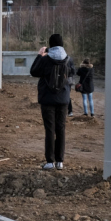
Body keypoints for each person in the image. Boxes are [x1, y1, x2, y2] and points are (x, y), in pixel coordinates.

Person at [29, 33, 75, 170]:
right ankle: (60, 161)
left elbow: (33, 72)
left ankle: (50, 162)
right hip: (63, 99)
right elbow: (72, 74)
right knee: (61, 129)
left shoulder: (45, 59)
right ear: (62, 44)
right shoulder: (69, 59)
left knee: (50, 129)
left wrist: (39, 55)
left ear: (50, 45)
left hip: (47, 99)